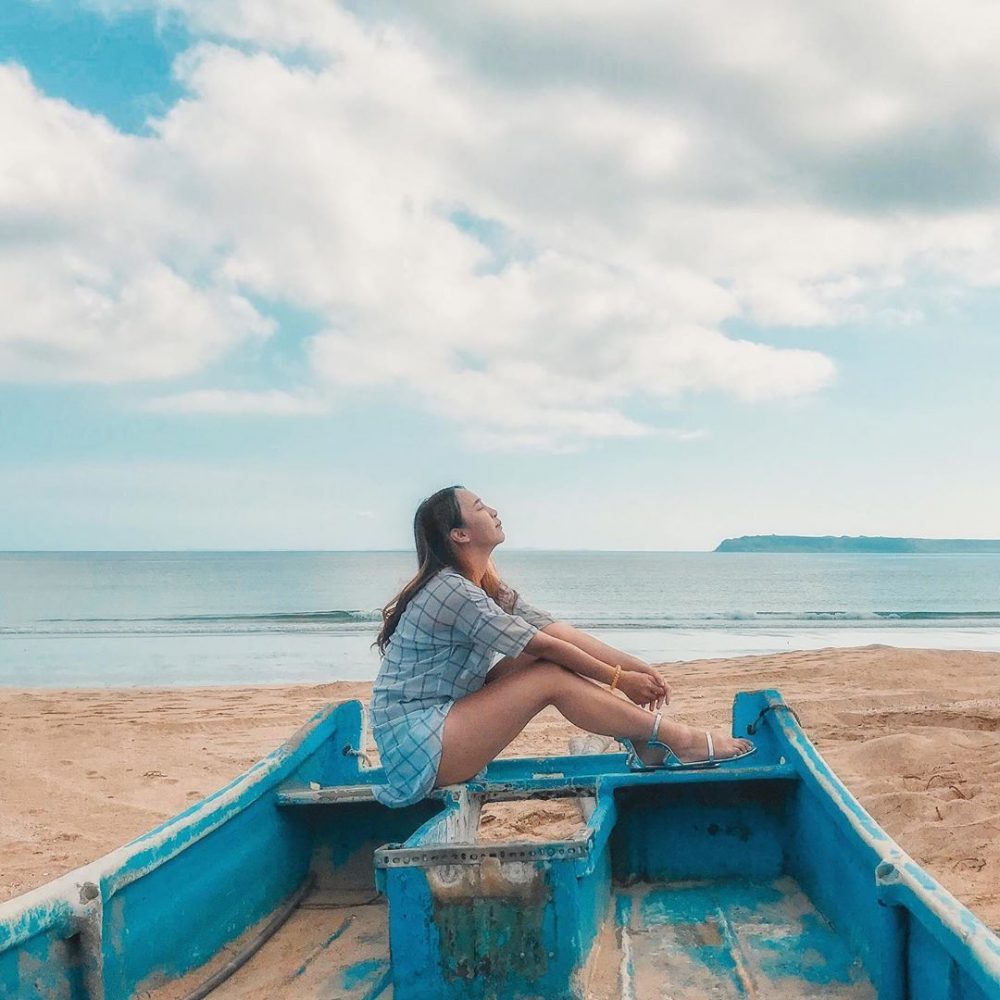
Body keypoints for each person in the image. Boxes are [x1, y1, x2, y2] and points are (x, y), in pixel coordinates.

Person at [369, 485, 753, 807]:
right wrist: (620, 681)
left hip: (442, 723)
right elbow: (550, 648)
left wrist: (635, 666)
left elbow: (556, 632)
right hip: (416, 744)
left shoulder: (482, 584)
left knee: (541, 656)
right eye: (480, 507)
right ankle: (676, 740)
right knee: (549, 676)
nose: (494, 511)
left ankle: (649, 740)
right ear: (460, 534)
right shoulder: (452, 590)